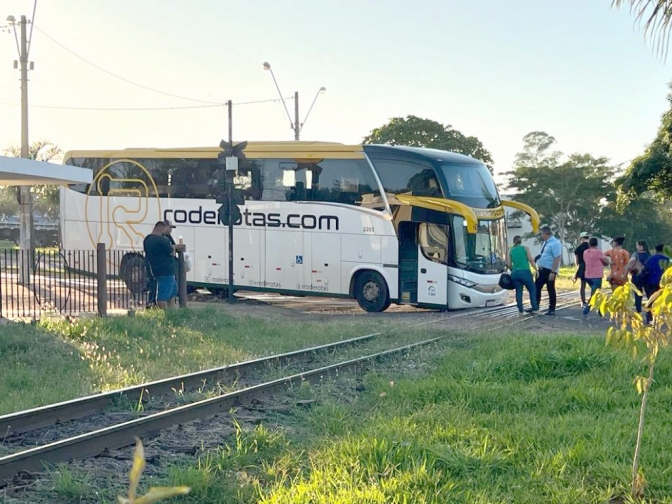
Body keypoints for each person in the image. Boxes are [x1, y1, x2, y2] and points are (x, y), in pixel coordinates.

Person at [143, 221, 186, 309]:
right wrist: (176, 247)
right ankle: (165, 315)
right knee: (163, 295)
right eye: (168, 228)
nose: (169, 231)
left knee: (172, 292)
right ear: (162, 228)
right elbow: (171, 252)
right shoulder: (162, 240)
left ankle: (171, 313)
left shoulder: (147, 239)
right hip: (166, 271)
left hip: (156, 269)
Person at [505, 235, 539, 314]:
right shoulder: (525, 248)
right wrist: (536, 269)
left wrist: (513, 269)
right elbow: (531, 260)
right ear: (521, 241)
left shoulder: (510, 250)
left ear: (514, 241)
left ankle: (520, 310)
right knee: (532, 289)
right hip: (525, 272)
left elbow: (508, 264)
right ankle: (535, 308)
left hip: (515, 273)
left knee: (518, 291)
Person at [534, 225, 563, 316]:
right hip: (541, 270)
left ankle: (552, 309)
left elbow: (557, 258)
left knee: (550, 289)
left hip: (549, 270)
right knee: (536, 288)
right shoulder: (546, 243)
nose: (541, 236)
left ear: (546, 233)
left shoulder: (555, 243)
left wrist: (553, 272)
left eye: (542, 234)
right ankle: (535, 307)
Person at [642, 244, 671, 324]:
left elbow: (645, 270)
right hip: (664, 285)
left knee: (651, 300)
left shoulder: (651, 259)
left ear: (655, 250)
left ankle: (650, 318)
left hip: (651, 283)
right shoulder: (668, 260)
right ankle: (663, 319)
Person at [582, 237, 610, 316]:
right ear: (597, 244)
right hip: (596, 276)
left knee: (595, 293)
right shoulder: (598, 252)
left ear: (589, 244)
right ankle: (588, 308)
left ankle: (599, 310)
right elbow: (606, 262)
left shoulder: (585, 252)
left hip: (587, 275)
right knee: (595, 294)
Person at [625, 240, 651, 320]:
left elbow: (630, 263)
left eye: (637, 245)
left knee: (638, 296)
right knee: (649, 296)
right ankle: (649, 315)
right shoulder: (649, 255)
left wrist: (626, 273)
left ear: (641, 246)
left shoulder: (635, 254)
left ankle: (639, 314)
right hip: (647, 278)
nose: (636, 247)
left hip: (637, 277)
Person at [573, 232, 590, 307]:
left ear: (582, 238)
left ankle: (583, 302)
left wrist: (577, 270)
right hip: (591, 267)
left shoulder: (578, 249)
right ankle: (592, 301)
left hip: (582, 267)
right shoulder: (592, 248)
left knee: (583, 285)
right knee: (593, 285)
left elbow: (576, 262)